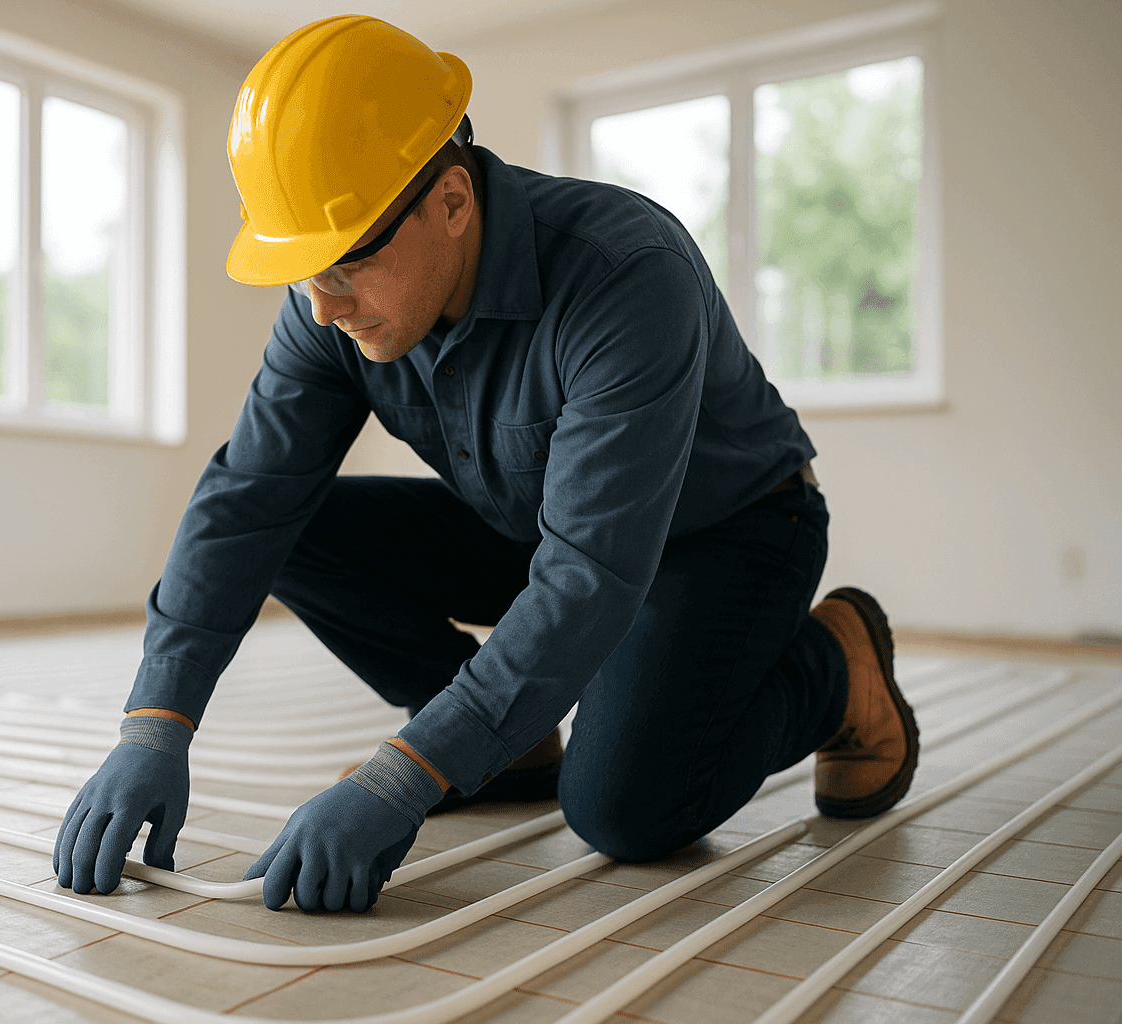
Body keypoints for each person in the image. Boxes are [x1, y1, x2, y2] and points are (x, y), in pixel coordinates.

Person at [53, 15, 919, 913]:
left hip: (727, 534)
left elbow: (590, 573)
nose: (320, 306)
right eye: (303, 269)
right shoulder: (331, 302)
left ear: (454, 202)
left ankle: (836, 666)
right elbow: (247, 500)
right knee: (294, 528)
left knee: (625, 808)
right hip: (535, 524)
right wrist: (154, 723)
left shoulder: (625, 274)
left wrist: (408, 774)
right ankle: (513, 744)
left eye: (344, 262)